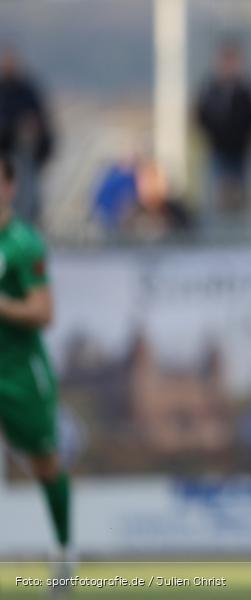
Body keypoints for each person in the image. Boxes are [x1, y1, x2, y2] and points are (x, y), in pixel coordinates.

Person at [0, 155, 73, 591]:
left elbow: (44, 312)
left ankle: (64, 554)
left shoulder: (23, 243)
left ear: (9, 187)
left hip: (18, 371)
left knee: (45, 462)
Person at [195, 40, 251, 220]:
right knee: (218, 195)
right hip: (218, 151)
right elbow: (202, 117)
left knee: (240, 196)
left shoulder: (244, 91)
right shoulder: (211, 90)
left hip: (240, 153)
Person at [0, 47, 54, 227]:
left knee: (26, 199)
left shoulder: (27, 91)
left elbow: (42, 124)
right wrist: (12, 130)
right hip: (6, 153)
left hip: (27, 156)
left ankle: (24, 226)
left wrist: (39, 143)